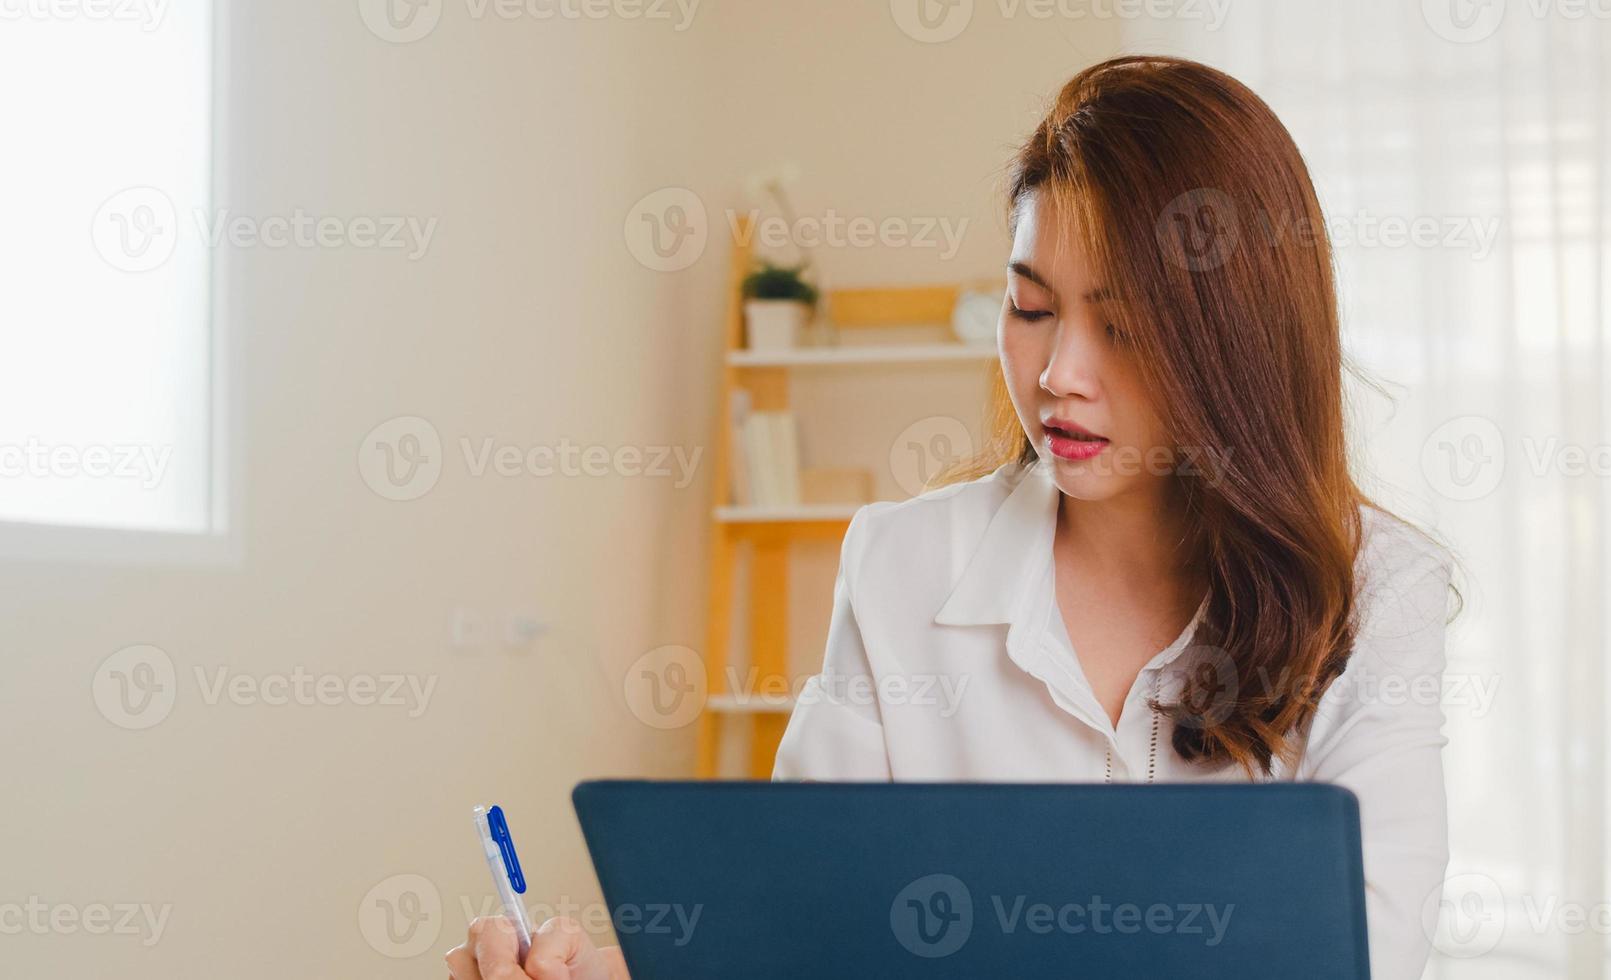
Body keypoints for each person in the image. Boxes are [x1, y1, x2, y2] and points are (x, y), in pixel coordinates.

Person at [448, 54, 1455, 980]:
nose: (1059, 374)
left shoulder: (1374, 594)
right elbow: (794, 925)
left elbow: (1362, 949)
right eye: (1029, 309)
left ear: (1235, 338)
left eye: (1124, 327)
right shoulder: (903, 560)